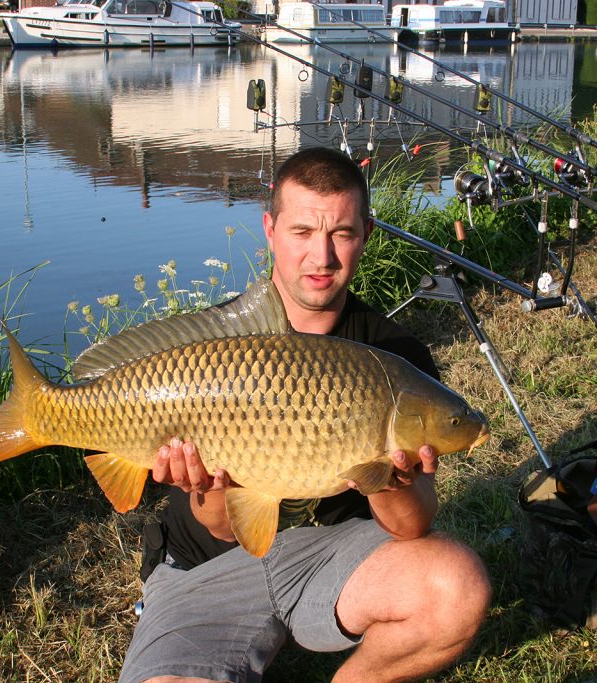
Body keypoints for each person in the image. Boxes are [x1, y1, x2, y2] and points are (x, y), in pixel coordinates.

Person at [119, 147, 492, 683]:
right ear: (269, 229)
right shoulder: (214, 343)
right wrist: (206, 485)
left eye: (340, 233)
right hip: (205, 563)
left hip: (330, 557)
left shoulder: (395, 358)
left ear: (365, 232)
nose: (322, 257)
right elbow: (222, 527)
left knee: (456, 590)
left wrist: (391, 478)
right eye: (301, 232)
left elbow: (413, 525)